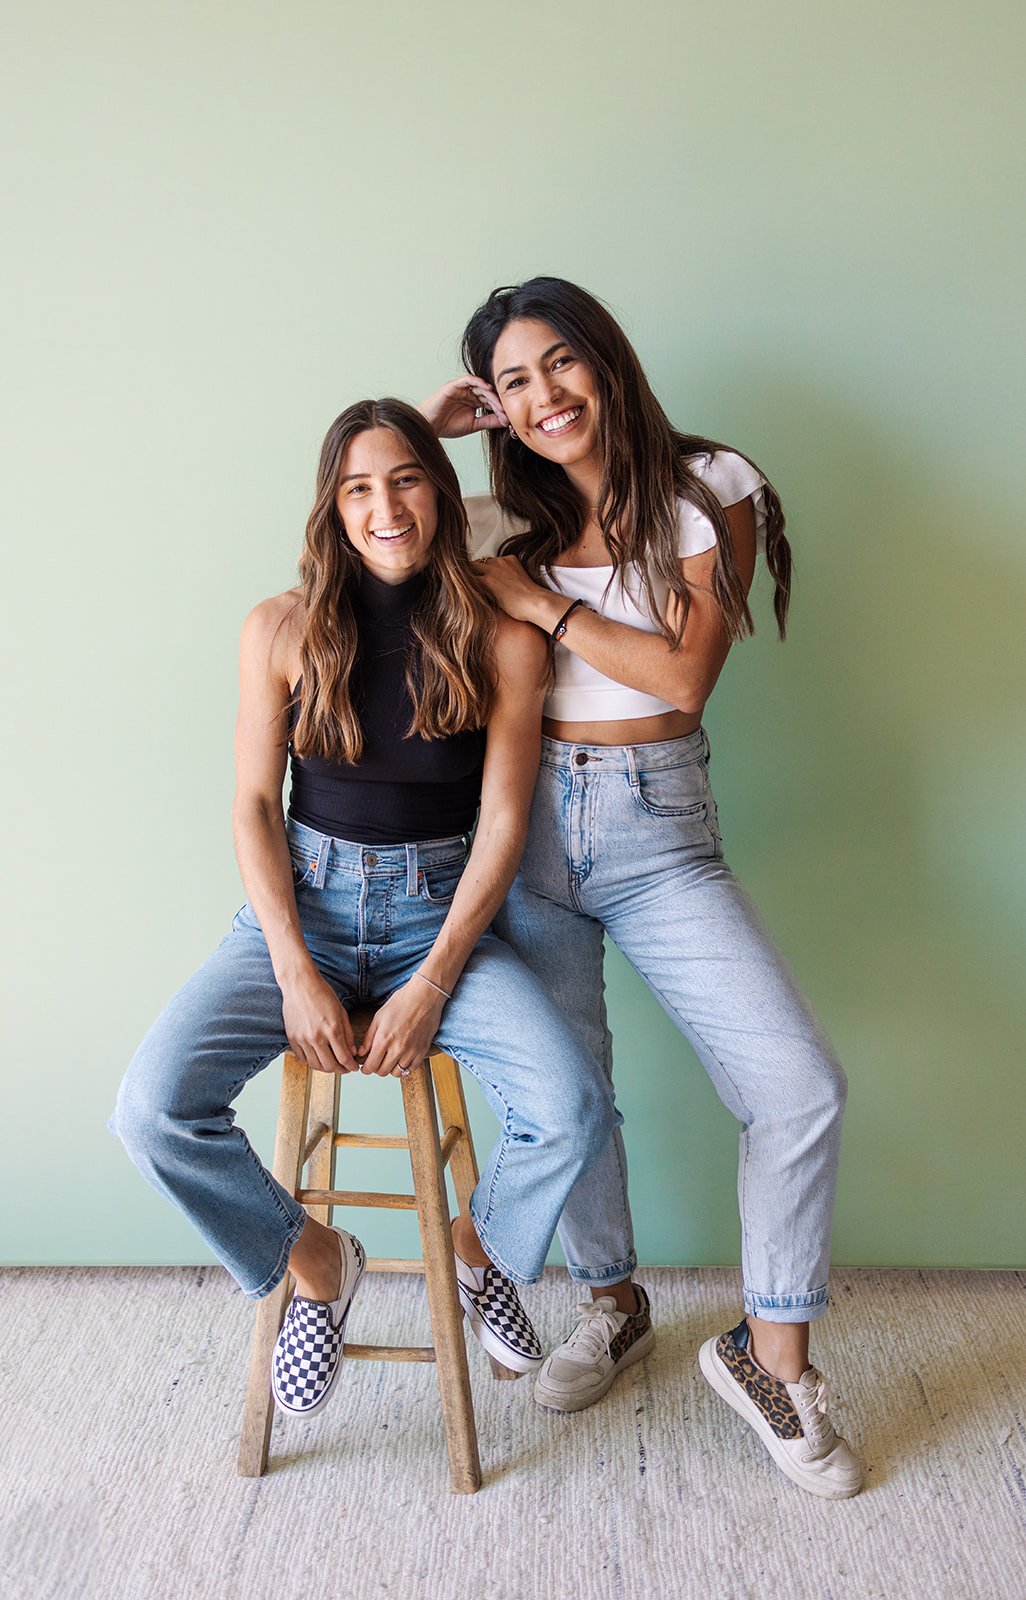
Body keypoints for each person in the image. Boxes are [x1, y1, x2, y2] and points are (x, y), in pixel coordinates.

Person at [419, 278, 862, 1499]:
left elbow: (678, 681)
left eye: (560, 364)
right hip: (516, 829)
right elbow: (367, 523)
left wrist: (542, 604)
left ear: (606, 362)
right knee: (577, 1095)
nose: (544, 395)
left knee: (796, 1087)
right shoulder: (500, 515)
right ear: (494, 408)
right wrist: (423, 426)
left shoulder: (707, 485)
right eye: (512, 382)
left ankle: (769, 1355)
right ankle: (610, 1305)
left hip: (656, 827)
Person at [112, 397, 619, 1420]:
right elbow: (255, 805)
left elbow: (502, 827)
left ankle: (472, 1246)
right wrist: (296, 968)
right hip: (301, 911)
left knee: (570, 1107)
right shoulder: (281, 627)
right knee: (152, 1110)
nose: (384, 506)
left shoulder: (504, 638)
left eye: (406, 479)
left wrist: (432, 980)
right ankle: (315, 1261)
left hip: (444, 920)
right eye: (356, 488)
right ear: (329, 508)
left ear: (442, 490)